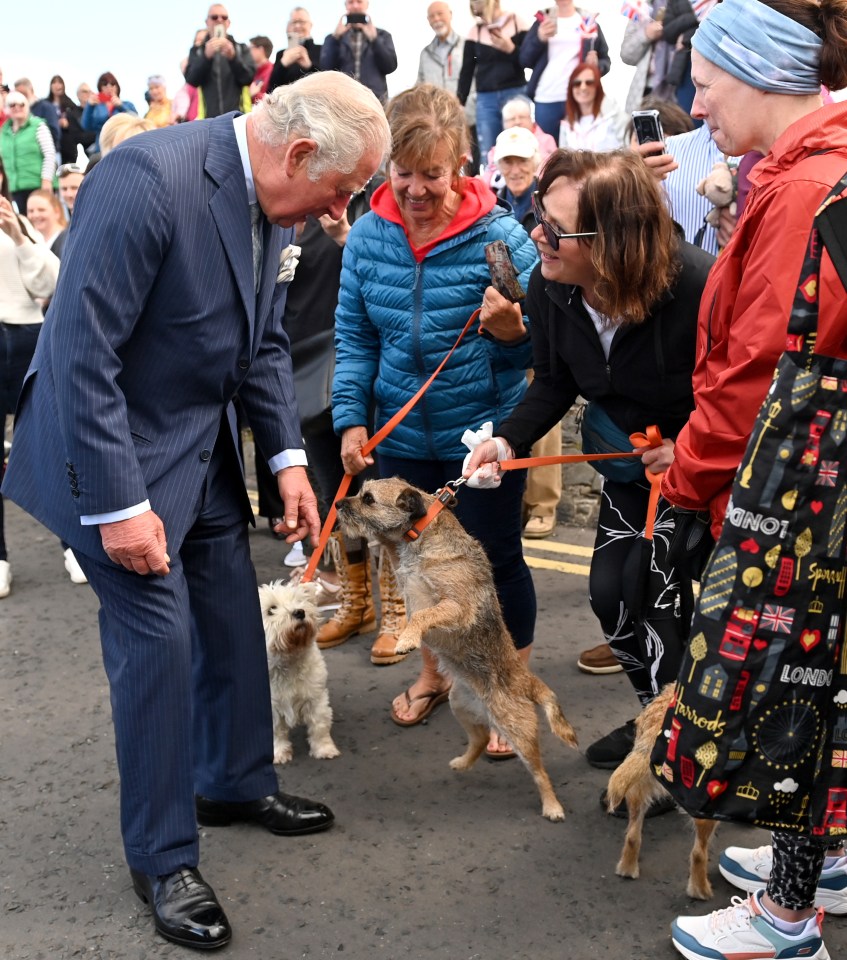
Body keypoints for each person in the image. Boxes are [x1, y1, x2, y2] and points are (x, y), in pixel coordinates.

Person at [2, 71, 391, 951]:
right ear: (298, 154)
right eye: (341, 190)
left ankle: (235, 781)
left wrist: (286, 457)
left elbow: (257, 340)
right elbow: (80, 353)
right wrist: (117, 506)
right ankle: (163, 856)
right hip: (114, 455)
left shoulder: (267, 196)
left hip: (200, 443)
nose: (342, 212)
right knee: (158, 647)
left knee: (226, 612)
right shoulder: (146, 178)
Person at [639, 2, 847, 958]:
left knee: (795, 689)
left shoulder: (807, 185)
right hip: (807, 480)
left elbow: (760, 371)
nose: (695, 101)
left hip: (799, 492)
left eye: (707, 81)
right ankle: (816, 865)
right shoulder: (803, 171)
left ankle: (787, 918)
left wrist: (684, 483)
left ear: (759, 75)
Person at [463, 148, 714, 773]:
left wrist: (688, 446)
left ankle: (680, 744)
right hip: (634, 471)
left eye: (556, 228)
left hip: (711, 472)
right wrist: (507, 442)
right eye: (539, 217)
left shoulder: (696, 284)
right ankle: (663, 716)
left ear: (614, 243)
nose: (536, 236)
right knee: (611, 595)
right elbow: (550, 383)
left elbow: (742, 389)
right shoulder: (552, 288)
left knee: (665, 598)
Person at [332, 83, 537, 754]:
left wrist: (512, 334)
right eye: (403, 173)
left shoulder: (500, 238)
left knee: (493, 560)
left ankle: (510, 689)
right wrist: (350, 418)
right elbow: (355, 337)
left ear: (461, 165)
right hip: (401, 429)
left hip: (481, 430)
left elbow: (552, 346)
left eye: (432, 174)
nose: (416, 189)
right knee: (414, 563)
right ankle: (435, 675)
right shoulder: (366, 237)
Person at [490, 126, 562, 542]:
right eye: (508, 161)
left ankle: (543, 505)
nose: (515, 169)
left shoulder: (545, 206)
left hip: (544, 317)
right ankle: (519, 500)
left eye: (522, 161)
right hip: (504, 322)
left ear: (535, 164)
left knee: (546, 412)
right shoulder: (497, 206)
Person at [0, 156, 61, 599]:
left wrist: (19, 236)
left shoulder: (15, 217)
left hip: (23, 337)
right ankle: (0, 557)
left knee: (49, 443)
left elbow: (50, 282)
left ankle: (72, 542)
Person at [518, 0, 611, 140]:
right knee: (548, 151)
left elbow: (605, 61)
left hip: (579, 97)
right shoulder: (542, 21)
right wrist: (539, 38)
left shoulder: (589, 22)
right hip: (547, 96)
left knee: (580, 153)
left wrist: (596, 66)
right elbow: (524, 60)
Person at [457, 0, 531, 161]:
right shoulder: (474, 32)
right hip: (486, 100)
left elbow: (530, 60)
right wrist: (460, 102)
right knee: (490, 153)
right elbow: (467, 70)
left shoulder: (517, 22)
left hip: (516, 94)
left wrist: (510, 48)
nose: (475, 7)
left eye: (477, 3)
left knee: (522, 145)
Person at [417, 1, 478, 168]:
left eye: (440, 14)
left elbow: (478, 80)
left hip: (469, 122)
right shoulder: (426, 53)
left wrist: (467, 107)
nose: (436, 19)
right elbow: (420, 88)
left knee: (471, 169)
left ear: (450, 14)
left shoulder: (468, 46)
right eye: (432, 16)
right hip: (439, 126)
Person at [184, 5, 255, 118]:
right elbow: (192, 80)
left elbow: (248, 78)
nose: (219, 20)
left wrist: (233, 58)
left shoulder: (241, 48)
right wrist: (206, 57)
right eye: (214, 17)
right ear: (207, 22)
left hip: (237, 118)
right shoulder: (197, 51)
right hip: (209, 121)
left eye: (224, 17)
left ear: (229, 23)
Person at [321, 0, 397, 102]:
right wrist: (335, 38)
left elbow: (390, 66)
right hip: (342, 101)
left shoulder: (383, 35)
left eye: (359, 2)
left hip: (375, 101)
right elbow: (326, 69)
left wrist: (375, 40)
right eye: (351, 2)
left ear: (367, 4)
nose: (355, 6)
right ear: (346, 6)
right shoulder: (332, 38)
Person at [0, 91, 55, 212]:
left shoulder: (38, 125)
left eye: (21, 104)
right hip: (14, 188)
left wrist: (46, 180)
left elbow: (49, 154)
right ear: (7, 108)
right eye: (12, 105)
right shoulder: (4, 132)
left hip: (38, 185)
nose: (17, 108)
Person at [558, 61, 627, 152]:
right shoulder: (566, 124)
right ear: (571, 88)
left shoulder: (615, 116)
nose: (583, 87)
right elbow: (563, 160)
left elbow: (629, 152)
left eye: (589, 83)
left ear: (597, 87)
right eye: (577, 83)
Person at [81, 73, 137, 153]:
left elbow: (136, 121)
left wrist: (121, 106)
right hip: (102, 149)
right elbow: (86, 126)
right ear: (100, 88)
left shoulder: (127, 104)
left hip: (124, 146)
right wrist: (89, 106)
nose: (109, 87)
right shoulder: (96, 107)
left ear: (117, 86)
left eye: (112, 84)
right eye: (105, 84)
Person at [268, 8, 321, 91]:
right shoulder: (281, 54)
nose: (297, 26)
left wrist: (309, 66)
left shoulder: (321, 50)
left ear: (310, 25)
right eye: (294, 22)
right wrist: (283, 64)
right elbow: (271, 88)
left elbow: (328, 80)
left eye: (302, 22)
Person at [48, 75, 93, 164]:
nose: (87, 94)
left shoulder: (70, 105)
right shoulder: (46, 104)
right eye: (84, 92)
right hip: (52, 144)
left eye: (89, 92)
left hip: (72, 150)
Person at [14, 77, 61, 153]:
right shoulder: (16, 113)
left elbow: (54, 134)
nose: (21, 97)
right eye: (18, 94)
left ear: (31, 91)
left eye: (24, 94)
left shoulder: (46, 107)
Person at [26, 188, 67, 257]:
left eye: (41, 210)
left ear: (57, 212)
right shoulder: (34, 242)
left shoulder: (66, 240)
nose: (35, 215)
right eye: (31, 211)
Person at [249, 35, 274, 103]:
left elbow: (274, 99)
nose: (248, 52)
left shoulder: (273, 71)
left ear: (261, 49)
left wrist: (255, 95)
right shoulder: (253, 72)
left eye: (250, 48)